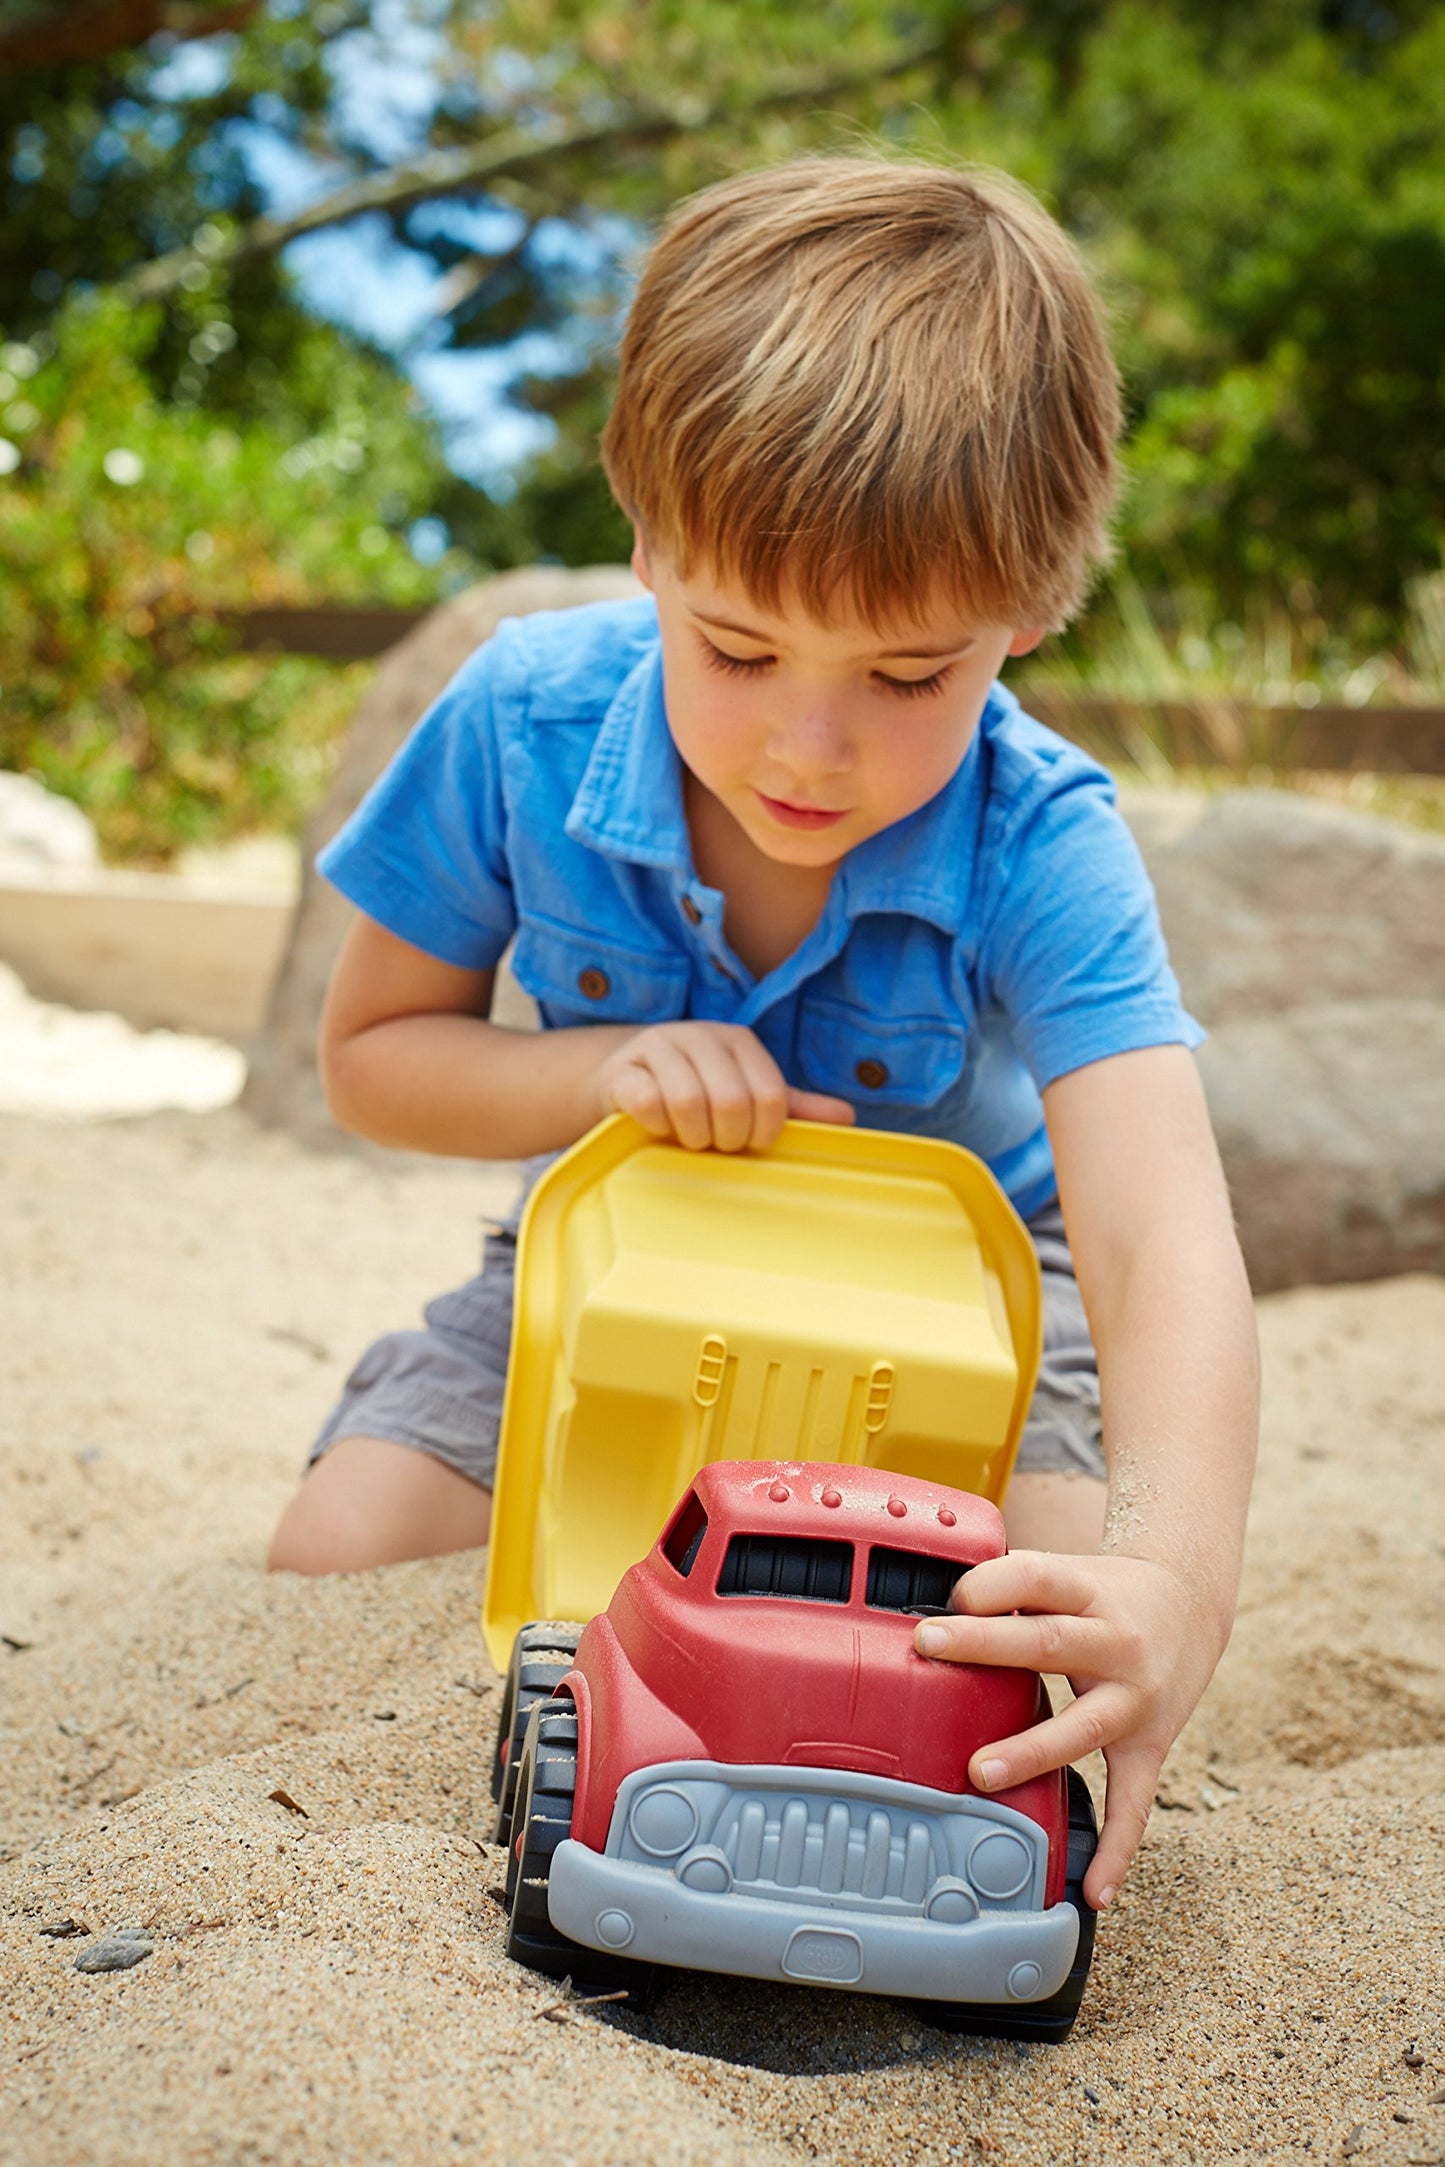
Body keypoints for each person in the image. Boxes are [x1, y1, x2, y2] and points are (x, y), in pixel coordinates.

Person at [268, 156, 1259, 1915]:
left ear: (1022, 623)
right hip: (616, 1264)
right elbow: (373, 1058)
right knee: (329, 1559)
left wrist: (1171, 1579)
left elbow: (1158, 1233)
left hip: (964, 1315)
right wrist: (591, 1074)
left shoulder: (1041, 835)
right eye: (733, 647)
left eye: (906, 679)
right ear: (646, 540)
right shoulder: (519, 717)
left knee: (1053, 1624)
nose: (809, 750)